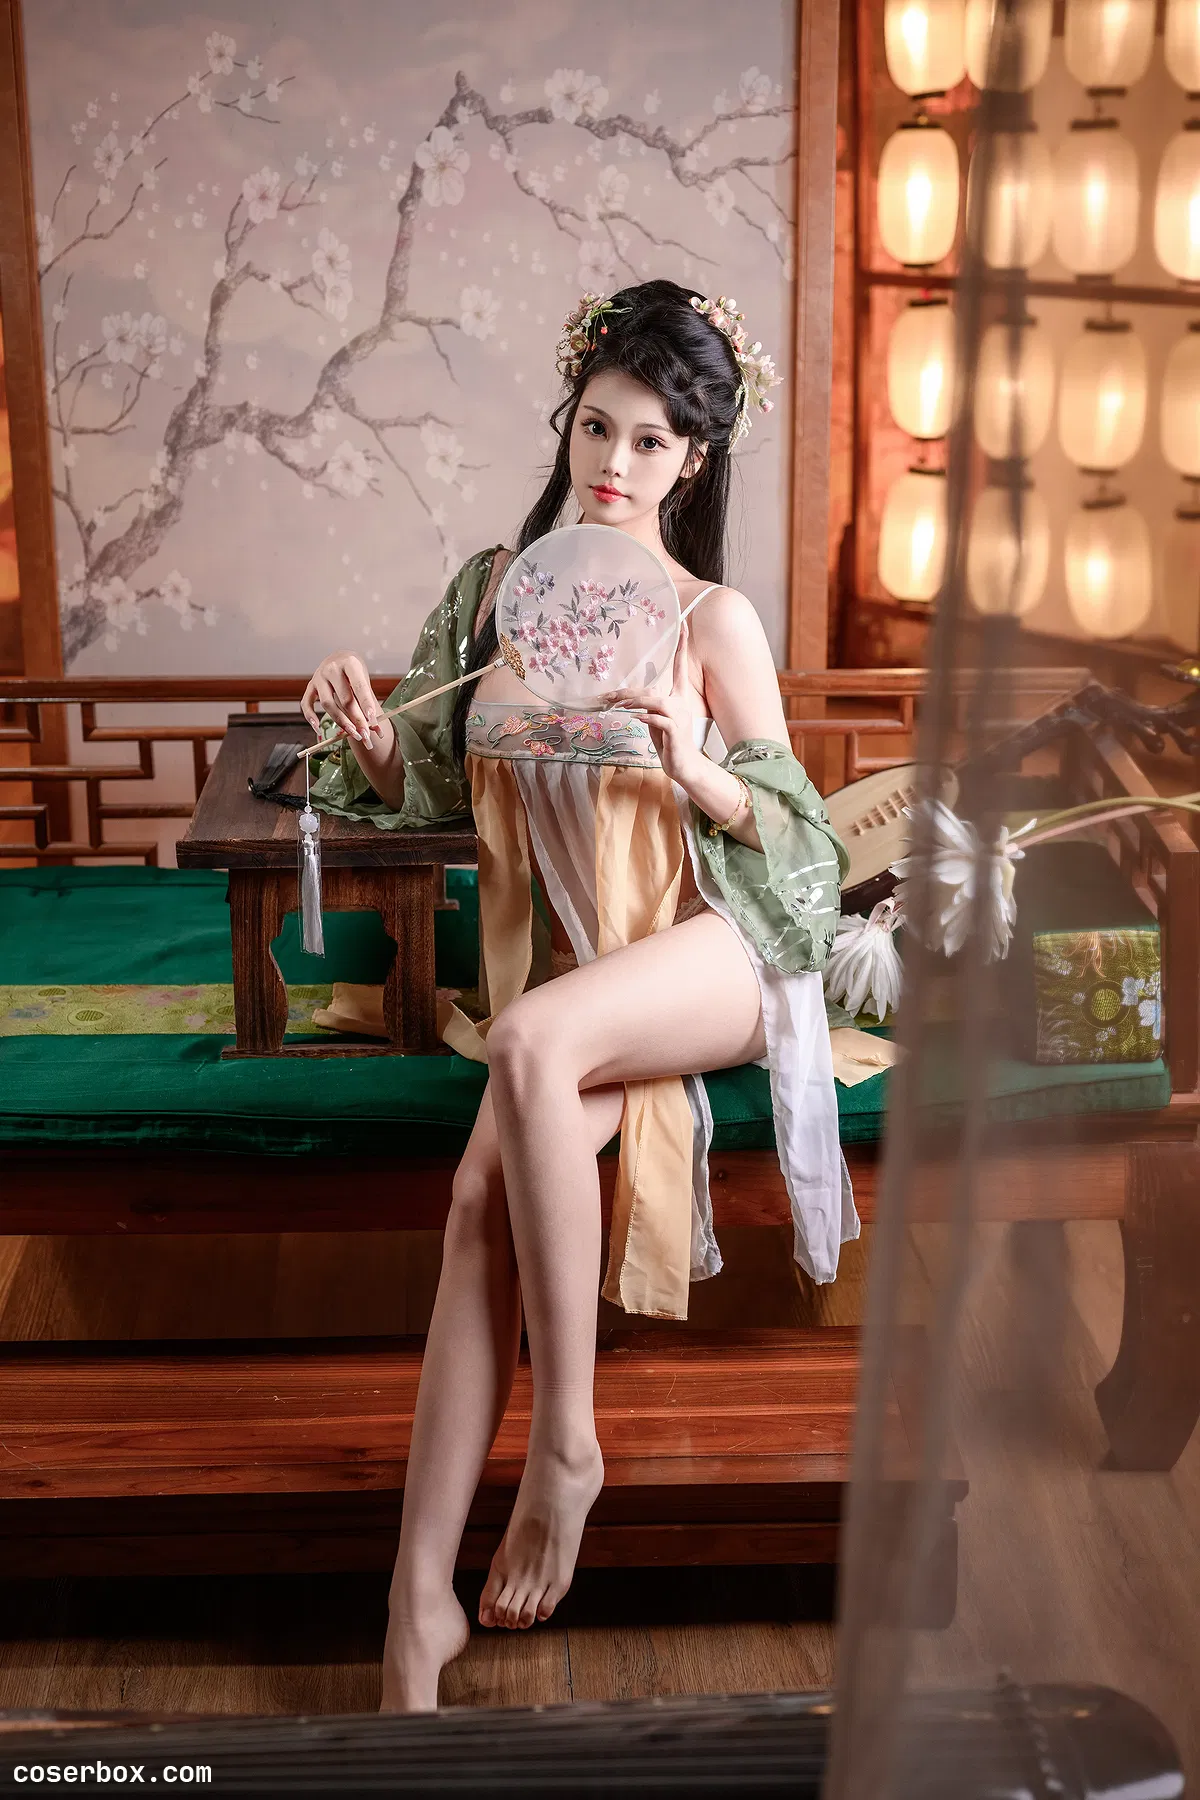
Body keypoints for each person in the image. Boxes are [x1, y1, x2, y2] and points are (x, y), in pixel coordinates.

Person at [301, 279, 857, 1713]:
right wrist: (372, 737)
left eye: (651, 441)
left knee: (534, 1041)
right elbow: (427, 783)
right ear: (569, 425)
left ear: (694, 463)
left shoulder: (711, 619)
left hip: (713, 950)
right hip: (569, 973)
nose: (614, 462)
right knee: (476, 1198)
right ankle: (414, 1611)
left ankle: (568, 1444)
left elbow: (806, 854)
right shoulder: (500, 595)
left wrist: (696, 768)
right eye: (597, 427)